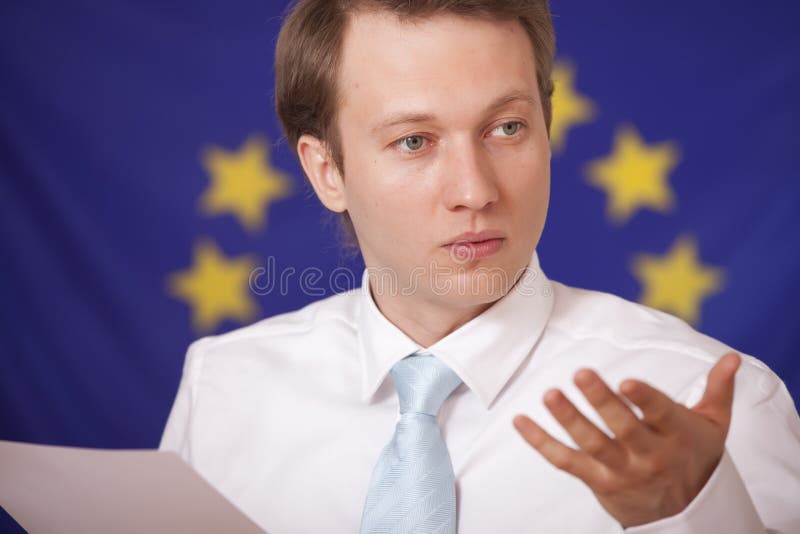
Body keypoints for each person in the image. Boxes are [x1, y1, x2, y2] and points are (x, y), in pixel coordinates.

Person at [159, 1, 800, 532]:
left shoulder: (701, 407)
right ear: (327, 171)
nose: (475, 190)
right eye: (414, 140)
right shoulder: (223, 389)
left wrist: (700, 515)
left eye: (506, 128)